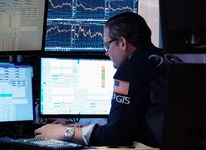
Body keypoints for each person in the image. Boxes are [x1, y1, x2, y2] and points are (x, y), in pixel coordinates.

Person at [35, 12, 169, 148]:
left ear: (122, 43)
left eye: (107, 45)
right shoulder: (168, 58)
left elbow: (116, 136)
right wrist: (87, 129)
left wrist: (64, 132)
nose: (107, 52)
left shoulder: (130, 70)